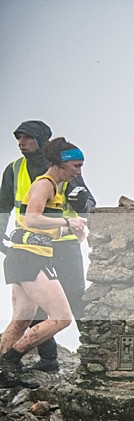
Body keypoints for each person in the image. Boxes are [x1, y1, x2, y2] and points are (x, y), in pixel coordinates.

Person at [0, 121, 96, 373]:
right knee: (55, 314)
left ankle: (91, 355)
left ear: (42, 141)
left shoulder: (66, 174)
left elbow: (87, 204)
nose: (21, 143)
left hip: (59, 247)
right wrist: (68, 222)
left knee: (32, 314)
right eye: (19, 138)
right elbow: (15, 211)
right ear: (61, 163)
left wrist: (76, 221)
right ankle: (33, 360)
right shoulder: (25, 173)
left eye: (27, 137)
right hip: (30, 251)